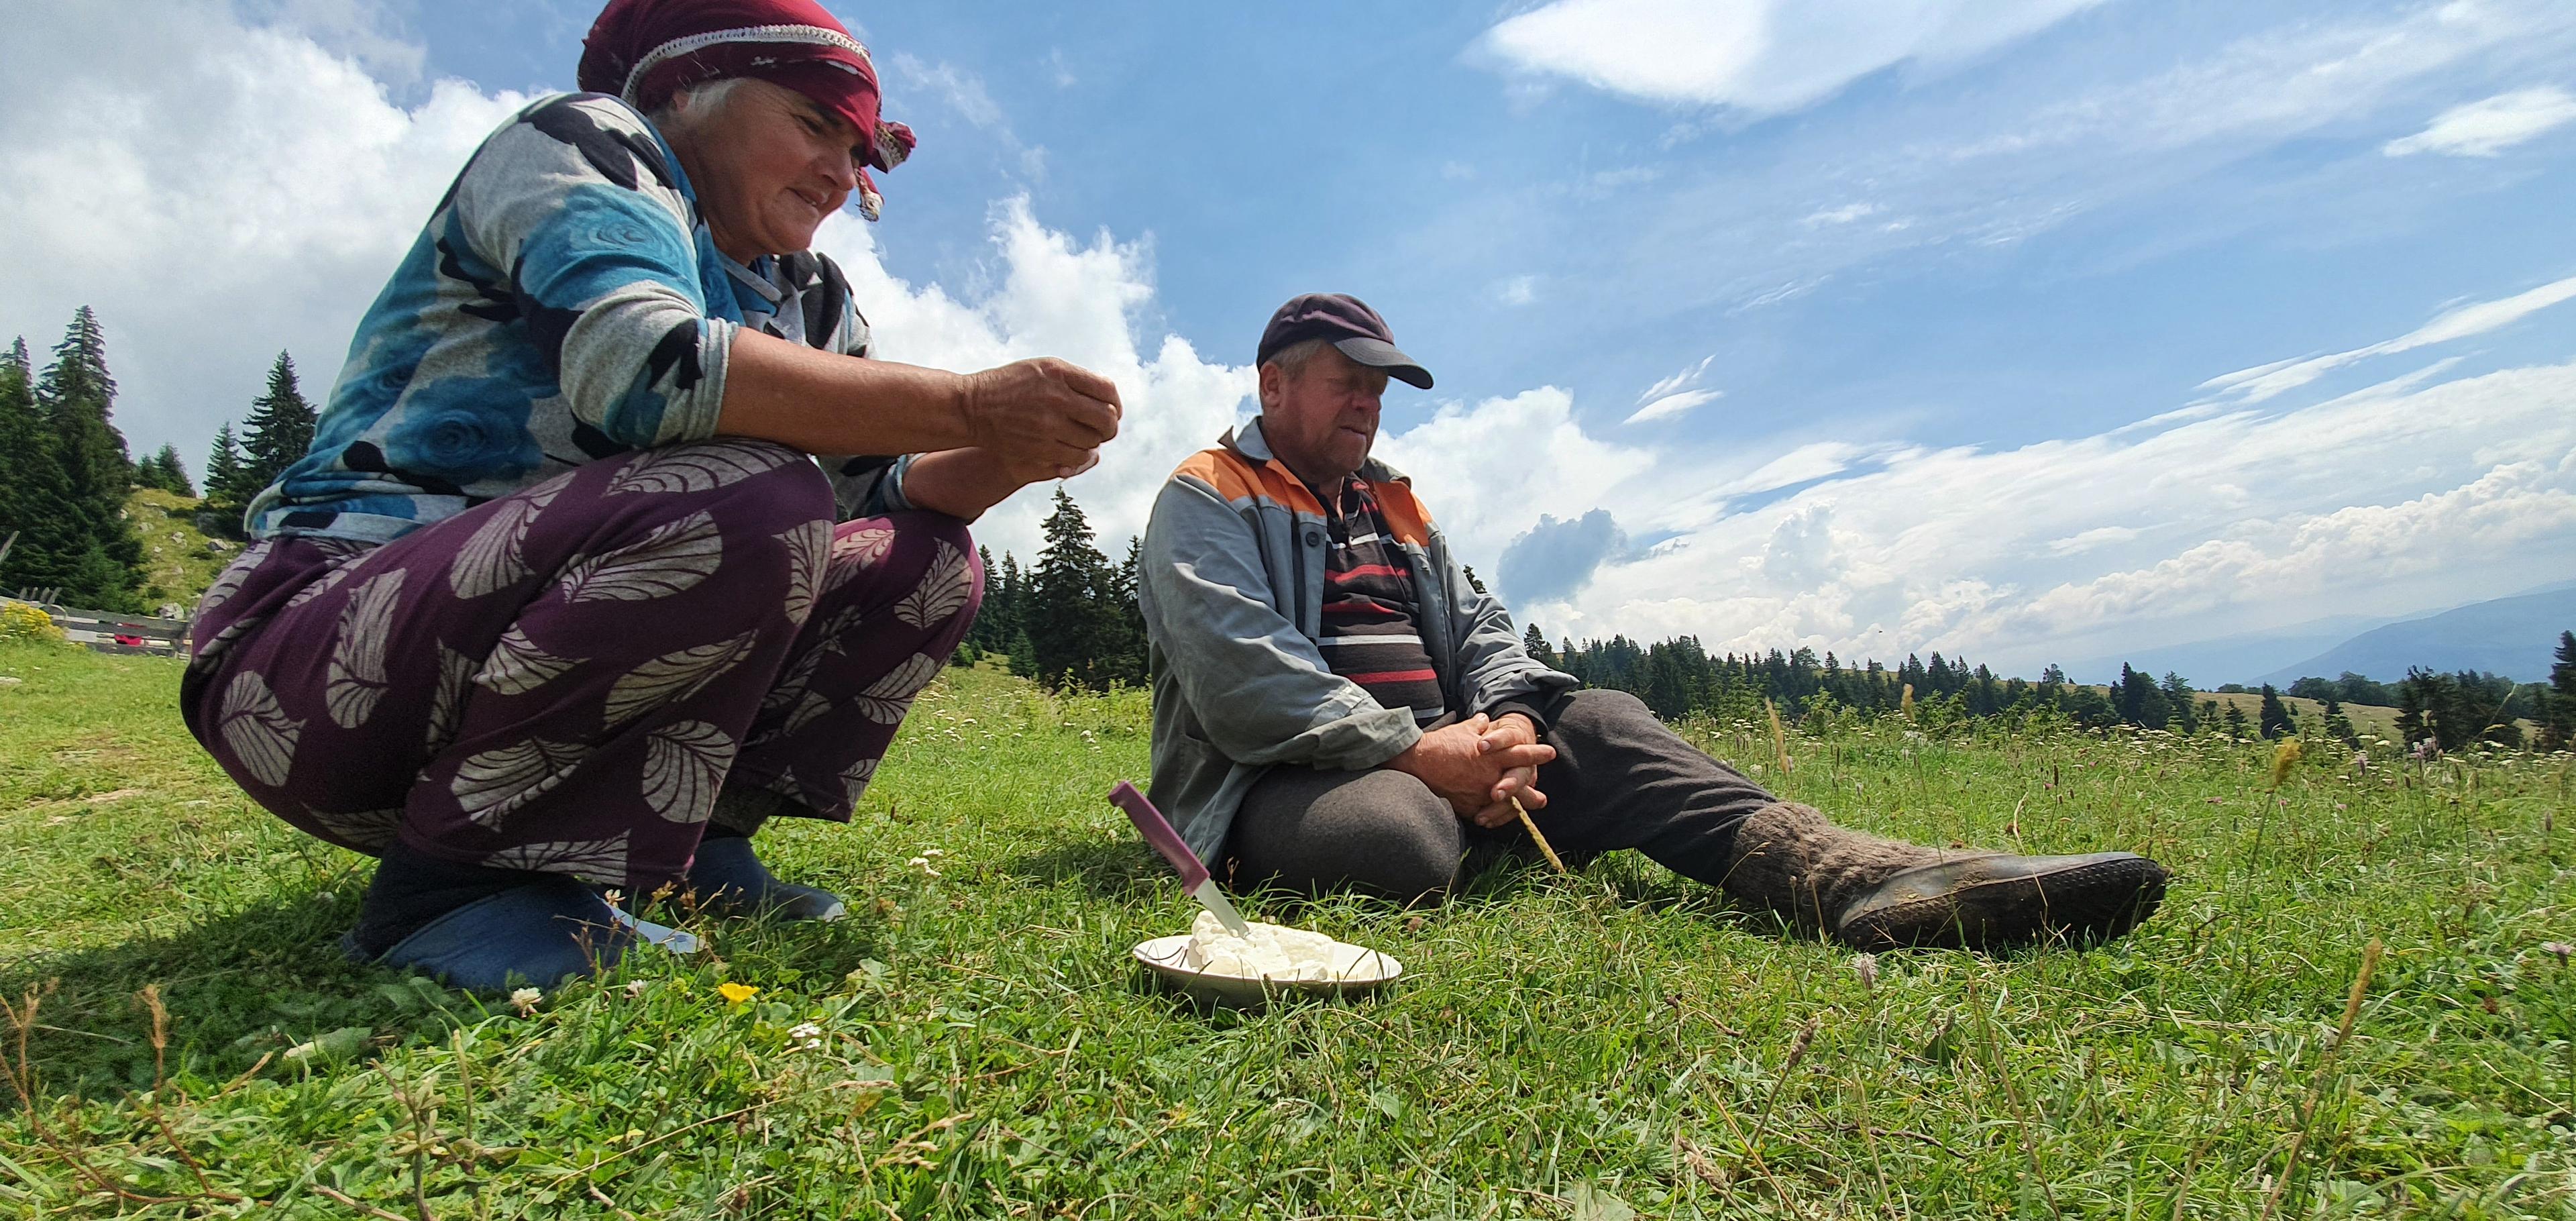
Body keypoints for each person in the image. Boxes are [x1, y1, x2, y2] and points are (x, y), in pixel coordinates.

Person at [181, 0, 1123, 989]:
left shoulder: (810, 296)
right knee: (754, 495)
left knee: (924, 559)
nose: (841, 178)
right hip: (316, 676)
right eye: (812, 127)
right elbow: (647, 367)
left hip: (476, 670)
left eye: (858, 156)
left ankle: (689, 848)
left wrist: (1016, 449)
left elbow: (882, 495)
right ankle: (458, 887)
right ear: (680, 92)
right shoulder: (583, 145)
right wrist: (973, 401)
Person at [1135, 293, 2167, 951]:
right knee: (1402, 845)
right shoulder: (1207, 495)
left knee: (1611, 718)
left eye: (1379, 390)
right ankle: (1492, 818)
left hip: (1452, 757)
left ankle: (1856, 878)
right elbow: (1245, 679)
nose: (1367, 405)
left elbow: (1485, 624)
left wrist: (1502, 723)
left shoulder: (1397, 502)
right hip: (1280, 780)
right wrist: (1417, 754)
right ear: (1273, 384)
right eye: (1344, 383)